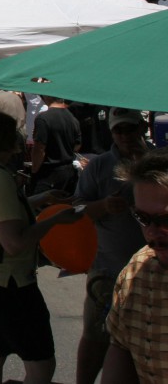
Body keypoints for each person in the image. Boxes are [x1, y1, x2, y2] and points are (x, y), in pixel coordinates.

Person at [0, 109, 85, 384]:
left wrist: (41, 198)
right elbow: (15, 242)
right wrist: (56, 220)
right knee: (41, 363)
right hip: (3, 283)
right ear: (6, 140)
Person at [73, 108, 149, 384]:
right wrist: (102, 206)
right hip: (108, 267)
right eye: (119, 130)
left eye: (130, 129)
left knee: (147, 338)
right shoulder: (100, 166)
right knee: (96, 335)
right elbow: (76, 209)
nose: (125, 135)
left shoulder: (157, 163)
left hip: (153, 268)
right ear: (112, 133)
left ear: (142, 128)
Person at [100, 147, 168, 383]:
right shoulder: (138, 270)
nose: (151, 232)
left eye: (165, 220)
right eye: (142, 218)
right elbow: (121, 348)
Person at [31, 96, 82, 195]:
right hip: (69, 173)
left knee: (43, 208)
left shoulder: (43, 118)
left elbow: (39, 149)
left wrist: (34, 172)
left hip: (48, 174)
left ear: (47, 97)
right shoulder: (73, 119)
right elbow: (77, 146)